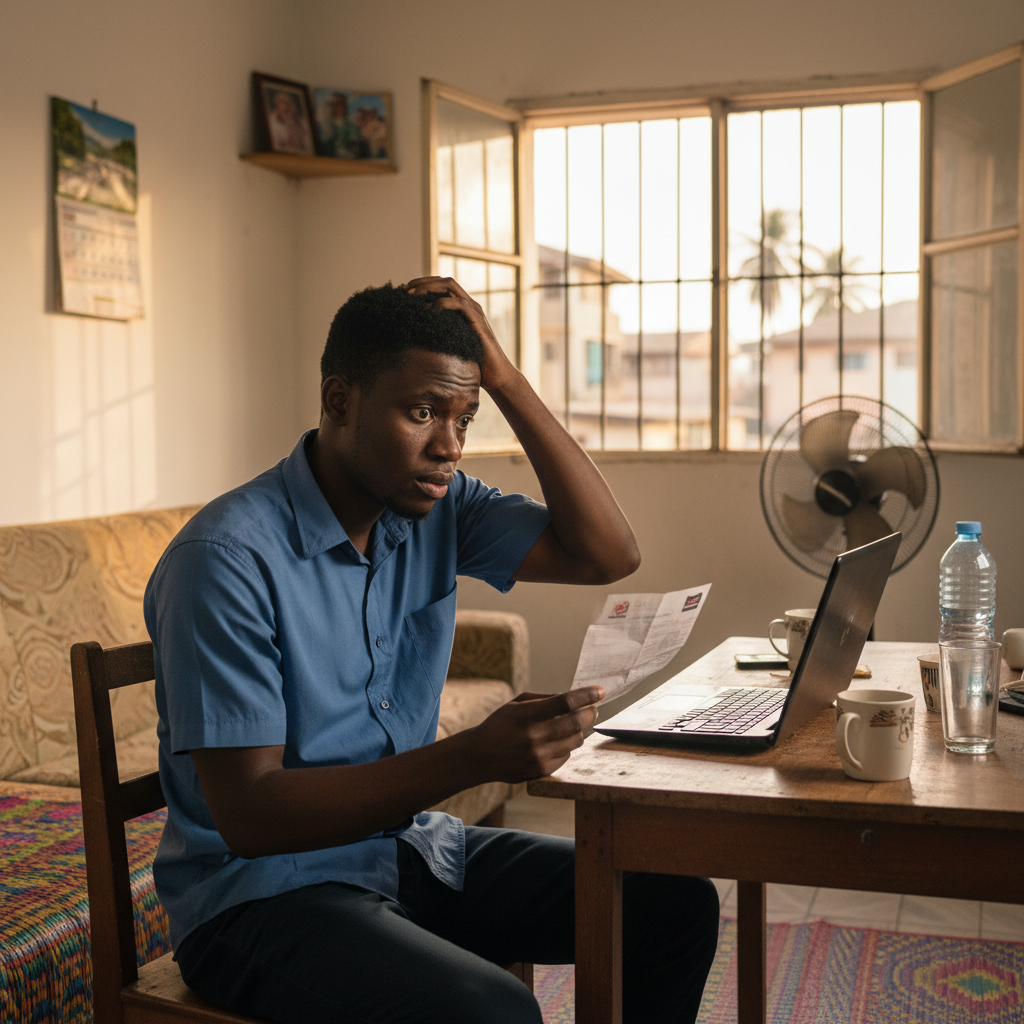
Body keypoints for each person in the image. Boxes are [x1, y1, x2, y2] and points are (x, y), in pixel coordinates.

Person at [144, 278, 719, 1024]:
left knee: (670, 903)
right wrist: (472, 756)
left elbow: (609, 553)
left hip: (404, 851)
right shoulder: (225, 558)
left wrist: (505, 377)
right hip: (261, 898)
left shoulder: (440, 509)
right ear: (340, 399)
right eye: (422, 411)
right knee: (494, 1011)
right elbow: (253, 816)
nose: (448, 446)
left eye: (464, 417)